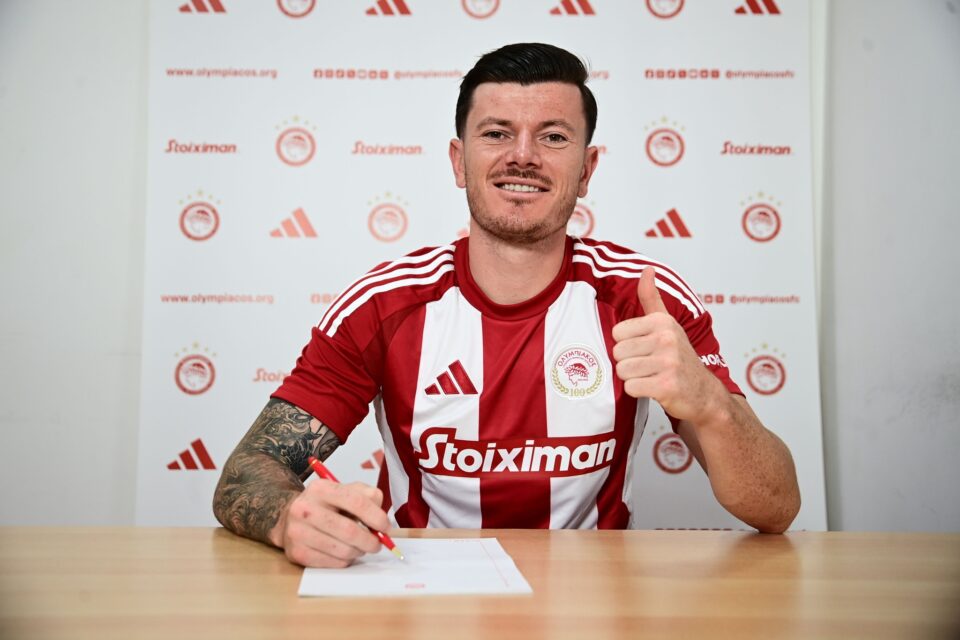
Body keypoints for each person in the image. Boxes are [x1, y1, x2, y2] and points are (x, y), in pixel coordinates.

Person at [213, 42, 801, 568]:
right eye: (496, 133)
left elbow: (776, 507)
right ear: (458, 160)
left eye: (553, 137)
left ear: (587, 169)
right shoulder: (383, 304)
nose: (523, 156)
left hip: (596, 607)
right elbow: (247, 470)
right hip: (424, 602)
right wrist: (289, 519)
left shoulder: (644, 300)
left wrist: (711, 405)